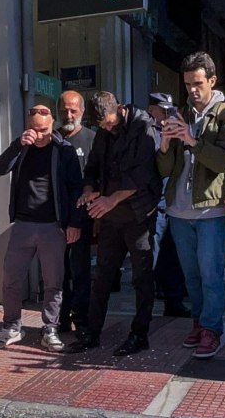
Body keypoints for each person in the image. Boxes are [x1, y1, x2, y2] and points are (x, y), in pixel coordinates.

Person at [157, 53, 225, 360]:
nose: (192, 90)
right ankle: (198, 322)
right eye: (187, 84)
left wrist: (192, 140)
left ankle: (211, 329)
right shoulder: (180, 112)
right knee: (190, 275)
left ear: (212, 80)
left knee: (211, 274)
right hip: (179, 209)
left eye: (197, 84)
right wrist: (166, 143)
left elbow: (224, 161)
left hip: (211, 209)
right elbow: (165, 169)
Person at [67, 91, 162, 357]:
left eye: (109, 123)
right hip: (110, 214)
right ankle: (92, 333)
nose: (107, 128)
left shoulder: (143, 126)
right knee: (103, 275)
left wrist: (110, 200)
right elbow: (93, 168)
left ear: (119, 109)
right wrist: (89, 189)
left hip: (138, 212)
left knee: (142, 276)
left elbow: (142, 175)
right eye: (102, 126)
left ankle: (139, 334)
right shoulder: (103, 132)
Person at [0, 103, 86, 352]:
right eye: (35, 129)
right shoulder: (21, 148)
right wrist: (17, 145)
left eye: (44, 129)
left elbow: (77, 188)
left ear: (52, 123)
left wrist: (74, 222)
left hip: (52, 226)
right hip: (23, 224)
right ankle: (12, 325)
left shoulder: (63, 150)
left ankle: (50, 328)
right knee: (11, 278)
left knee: (53, 281)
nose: (39, 134)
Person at [148, 91, 190, 319]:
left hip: (174, 202)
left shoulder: (175, 130)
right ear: (151, 110)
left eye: (169, 110)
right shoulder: (148, 132)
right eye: (162, 110)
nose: (165, 114)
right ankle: (147, 303)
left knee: (173, 257)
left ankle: (173, 302)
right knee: (152, 256)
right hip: (155, 204)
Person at [58, 90, 95, 332]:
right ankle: (59, 320)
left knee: (80, 271)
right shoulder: (50, 139)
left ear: (82, 111)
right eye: (64, 110)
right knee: (56, 274)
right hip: (54, 220)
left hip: (82, 218)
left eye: (73, 110)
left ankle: (81, 320)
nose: (69, 114)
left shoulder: (93, 139)